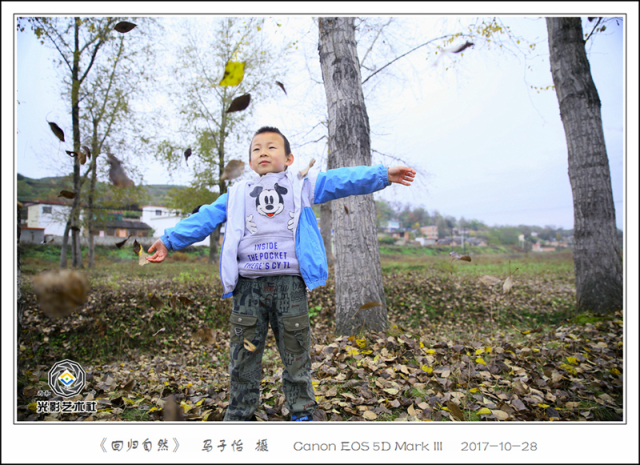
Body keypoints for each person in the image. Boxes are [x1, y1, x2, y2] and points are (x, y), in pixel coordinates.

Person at [147, 126, 416, 421]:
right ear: (250, 163)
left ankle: (302, 411)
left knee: (296, 351)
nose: (263, 152)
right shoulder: (237, 194)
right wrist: (169, 240)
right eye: (256, 148)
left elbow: (341, 180)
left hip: (290, 285)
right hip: (248, 288)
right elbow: (205, 218)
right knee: (243, 356)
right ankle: (240, 414)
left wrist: (382, 175)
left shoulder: (302, 185)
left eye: (272, 147)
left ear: (289, 159)